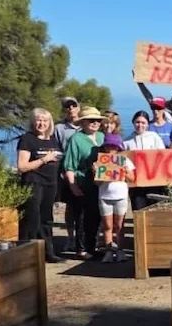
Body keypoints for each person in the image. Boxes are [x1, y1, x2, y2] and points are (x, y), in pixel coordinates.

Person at [16, 108, 63, 262]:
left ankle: (48, 252)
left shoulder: (52, 139)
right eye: (39, 120)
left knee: (47, 218)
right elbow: (22, 166)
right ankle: (26, 255)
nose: (42, 123)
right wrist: (44, 159)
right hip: (33, 182)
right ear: (33, 122)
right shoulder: (27, 139)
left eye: (45, 120)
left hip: (51, 183)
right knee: (32, 218)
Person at [62, 106, 105, 259]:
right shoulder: (76, 139)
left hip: (99, 184)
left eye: (98, 120)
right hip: (82, 182)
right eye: (91, 120)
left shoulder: (101, 137)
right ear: (83, 122)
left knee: (96, 216)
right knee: (81, 217)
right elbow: (69, 165)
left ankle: (92, 247)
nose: (95, 123)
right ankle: (81, 249)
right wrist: (73, 186)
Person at [97, 133, 135, 262]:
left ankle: (120, 250)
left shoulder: (124, 160)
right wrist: (96, 172)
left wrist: (125, 171)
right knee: (107, 226)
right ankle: (108, 251)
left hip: (121, 196)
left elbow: (132, 179)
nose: (111, 149)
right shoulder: (100, 161)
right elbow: (96, 183)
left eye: (113, 146)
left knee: (119, 226)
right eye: (108, 146)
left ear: (118, 147)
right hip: (104, 196)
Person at [54, 96, 81, 252]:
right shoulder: (59, 129)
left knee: (87, 208)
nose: (71, 109)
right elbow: (56, 151)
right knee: (70, 208)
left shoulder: (85, 125)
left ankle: (85, 238)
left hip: (85, 175)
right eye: (67, 107)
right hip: (66, 174)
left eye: (73, 105)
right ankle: (70, 238)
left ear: (78, 107)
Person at [123, 110, 165, 211]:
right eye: (137, 122)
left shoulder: (154, 137)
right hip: (136, 183)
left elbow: (162, 155)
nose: (140, 125)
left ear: (147, 124)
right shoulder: (127, 141)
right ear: (133, 122)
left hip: (154, 181)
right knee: (139, 209)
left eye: (143, 122)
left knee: (154, 209)